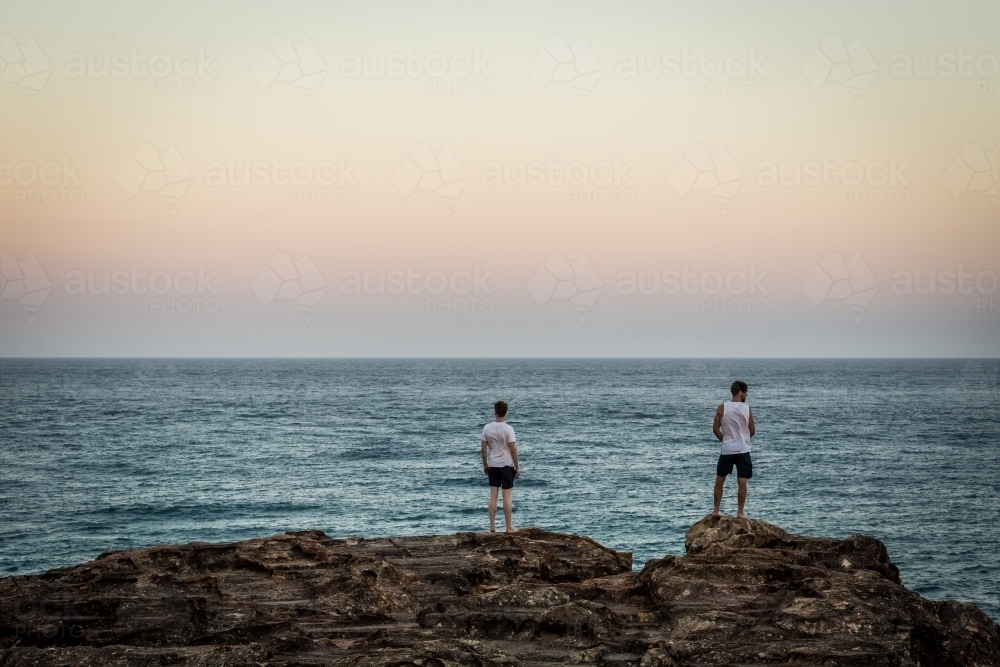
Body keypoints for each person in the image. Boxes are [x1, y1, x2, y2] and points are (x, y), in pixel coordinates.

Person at [711, 381, 755, 518]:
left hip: (727, 450)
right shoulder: (747, 409)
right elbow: (752, 430)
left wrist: (724, 440)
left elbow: (715, 429)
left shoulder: (722, 408)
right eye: (746, 392)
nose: (746, 394)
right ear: (740, 392)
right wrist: (744, 439)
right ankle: (740, 513)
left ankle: (716, 511)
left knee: (720, 479)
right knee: (742, 481)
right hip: (743, 450)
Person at [481, 400, 520, 533]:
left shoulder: (487, 428)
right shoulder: (509, 429)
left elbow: (483, 449)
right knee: (507, 496)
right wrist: (517, 467)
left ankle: (492, 527)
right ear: (505, 412)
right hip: (506, 465)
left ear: (495, 412)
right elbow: (513, 450)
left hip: (493, 465)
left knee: (493, 495)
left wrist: (485, 464)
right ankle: (509, 527)